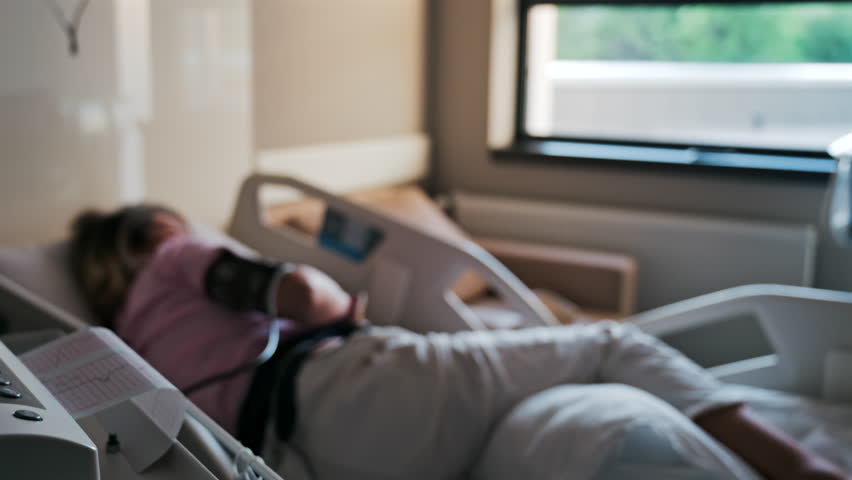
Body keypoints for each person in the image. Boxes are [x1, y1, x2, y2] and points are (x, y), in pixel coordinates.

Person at [68, 204, 850, 480]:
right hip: (355, 390)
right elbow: (297, 292)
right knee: (608, 341)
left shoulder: (120, 337)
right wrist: (343, 301)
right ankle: (801, 466)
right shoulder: (176, 257)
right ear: (157, 232)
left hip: (306, 456)